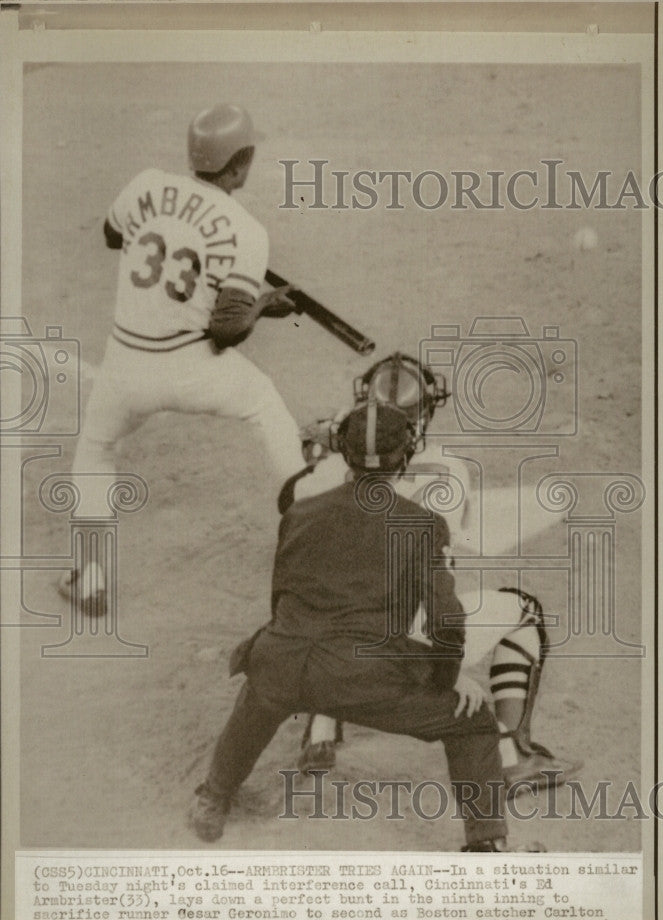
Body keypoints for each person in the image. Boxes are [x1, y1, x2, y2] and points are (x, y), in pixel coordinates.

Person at [190, 397, 543, 851]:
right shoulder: (421, 524)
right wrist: (448, 681)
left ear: (344, 454)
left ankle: (213, 796)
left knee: (263, 685)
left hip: (285, 658)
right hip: (361, 678)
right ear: (407, 456)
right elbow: (447, 622)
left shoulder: (301, 512)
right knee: (472, 720)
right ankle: (486, 845)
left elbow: (282, 597)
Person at [288, 353, 581, 796]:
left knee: (331, 592)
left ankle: (320, 733)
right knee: (524, 613)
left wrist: (322, 449)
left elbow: (291, 502)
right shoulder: (450, 470)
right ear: (421, 415)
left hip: (327, 651)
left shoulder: (322, 473)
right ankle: (510, 758)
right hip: (408, 650)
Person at [58, 103, 303, 615]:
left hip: (123, 369)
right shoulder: (246, 230)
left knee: (96, 450)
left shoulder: (145, 183)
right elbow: (228, 328)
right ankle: (308, 533)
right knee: (264, 405)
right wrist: (263, 304)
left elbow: (111, 235)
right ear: (241, 163)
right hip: (194, 369)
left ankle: (91, 576)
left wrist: (173, 234)